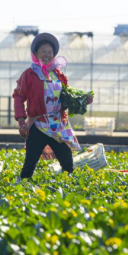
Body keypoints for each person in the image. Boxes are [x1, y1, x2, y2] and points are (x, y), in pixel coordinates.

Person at [12, 33, 93, 179]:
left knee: (67, 161)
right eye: (43, 51)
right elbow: (18, 96)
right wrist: (21, 120)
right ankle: (22, 189)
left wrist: (83, 100)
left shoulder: (58, 74)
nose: (47, 55)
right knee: (30, 163)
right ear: (35, 54)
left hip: (57, 125)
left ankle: (69, 186)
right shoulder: (29, 75)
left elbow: (67, 97)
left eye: (50, 52)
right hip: (37, 125)